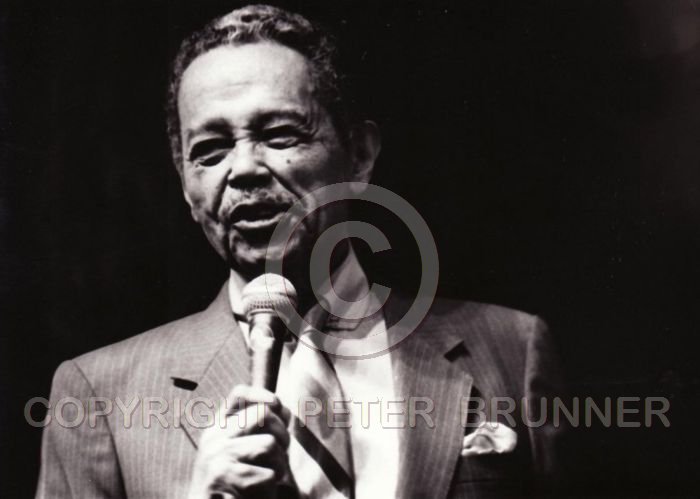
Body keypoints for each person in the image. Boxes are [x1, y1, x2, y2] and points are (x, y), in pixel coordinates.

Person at [35, 4, 564, 498]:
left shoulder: (512, 349)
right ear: (185, 184)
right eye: (211, 150)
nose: (243, 169)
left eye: (280, 134)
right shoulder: (98, 395)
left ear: (359, 155)